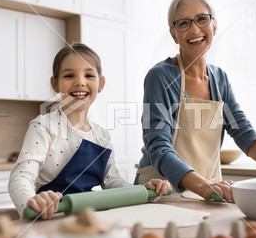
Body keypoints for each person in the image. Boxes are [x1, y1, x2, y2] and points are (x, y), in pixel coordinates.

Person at [135, 0, 256, 201]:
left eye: (201, 19)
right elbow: (158, 147)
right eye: (183, 23)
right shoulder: (160, 76)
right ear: (173, 34)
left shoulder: (220, 78)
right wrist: (204, 186)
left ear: (214, 26)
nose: (195, 29)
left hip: (211, 191)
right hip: (163, 191)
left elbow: (242, 130)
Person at [9, 43, 170, 219]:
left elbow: (112, 182)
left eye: (89, 75)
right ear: (55, 84)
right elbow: (21, 177)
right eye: (69, 75)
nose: (80, 82)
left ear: (100, 84)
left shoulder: (102, 136)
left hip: (88, 219)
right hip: (49, 218)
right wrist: (32, 202)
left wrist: (142, 191)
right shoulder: (44, 127)